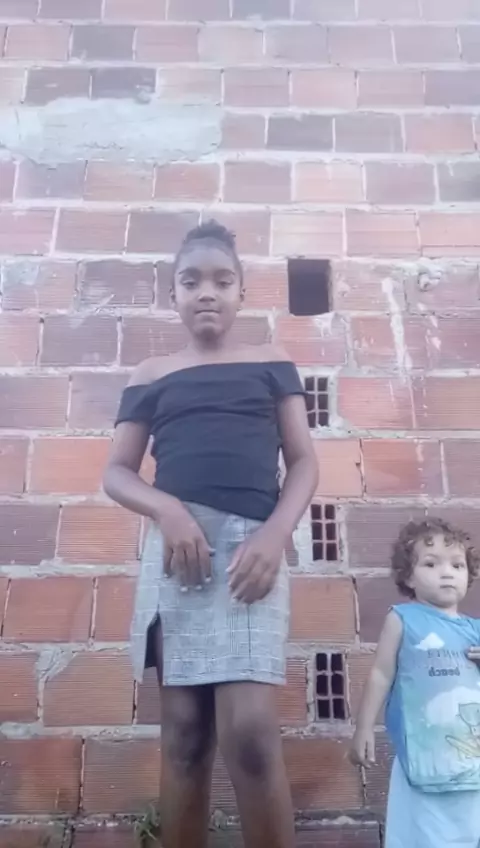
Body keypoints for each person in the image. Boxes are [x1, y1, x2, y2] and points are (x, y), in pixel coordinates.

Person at [103, 220, 318, 848]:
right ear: (172, 294)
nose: (206, 292)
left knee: (249, 732)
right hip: (180, 556)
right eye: (190, 280)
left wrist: (275, 536)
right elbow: (116, 472)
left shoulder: (272, 364)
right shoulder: (151, 373)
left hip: (252, 555)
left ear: (242, 294)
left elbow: (304, 462)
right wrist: (167, 511)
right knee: (185, 736)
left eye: (223, 281)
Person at [350, 517, 480, 848]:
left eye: (457, 565)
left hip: (471, 760)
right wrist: (364, 728)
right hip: (422, 756)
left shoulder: (476, 630)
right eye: (431, 564)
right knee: (422, 836)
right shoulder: (402, 619)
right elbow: (381, 674)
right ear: (409, 576)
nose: (447, 572)